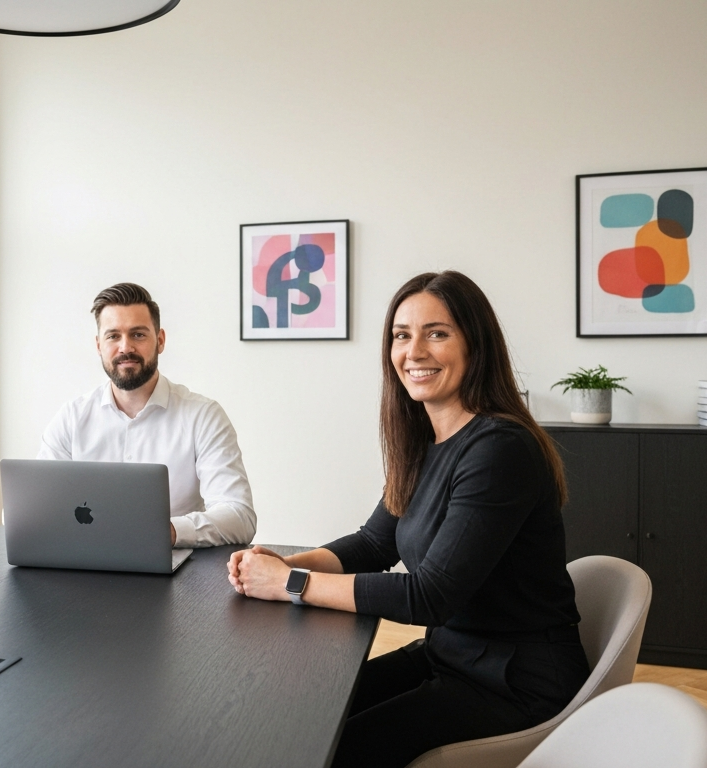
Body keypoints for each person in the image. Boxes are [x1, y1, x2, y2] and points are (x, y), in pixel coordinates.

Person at [227, 271, 589, 768]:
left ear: (475, 344)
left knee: (331, 749)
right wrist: (279, 564)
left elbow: (430, 595)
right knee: (304, 717)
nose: (414, 351)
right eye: (402, 335)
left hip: (515, 682)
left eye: (436, 333)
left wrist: (292, 582)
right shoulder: (424, 443)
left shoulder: (499, 449)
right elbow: (375, 543)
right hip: (451, 657)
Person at [39, 282, 255, 547]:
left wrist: (166, 532)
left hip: (174, 570)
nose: (125, 347)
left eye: (138, 334)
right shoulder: (71, 418)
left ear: (160, 340)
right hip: (85, 564)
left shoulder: (203, 416)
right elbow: (36, 506)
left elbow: (239, 516)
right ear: (98, 345)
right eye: (113, 336)